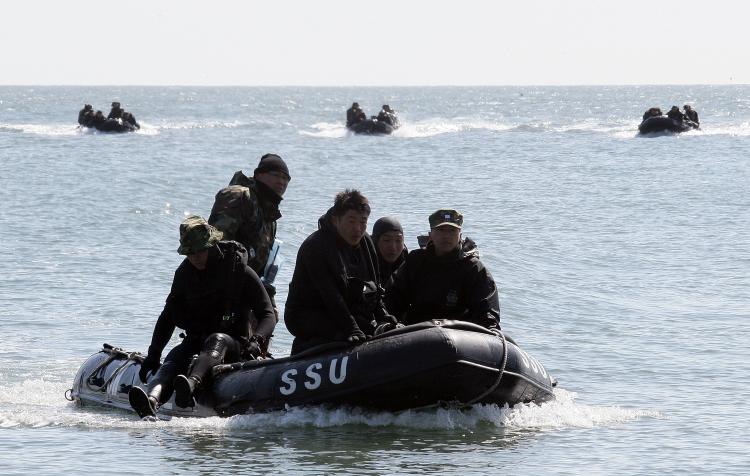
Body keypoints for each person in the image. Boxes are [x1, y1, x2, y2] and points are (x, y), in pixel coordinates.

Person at [128, 216, 276, 419]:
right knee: (177, 355)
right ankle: (152, 398)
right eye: (190, 253)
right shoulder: (184, 274)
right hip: (198, 340)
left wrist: (256, 340)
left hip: (233, 344)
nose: (195, 257)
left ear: (212, 244)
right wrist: (154, 354)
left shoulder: (238, 270)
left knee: (218, 339)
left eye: (200, 250)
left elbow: (267, 313)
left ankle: (190, 384)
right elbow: (168, 316)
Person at [284, 189, 397, 355]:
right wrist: (352, 329)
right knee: (345, 332)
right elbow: (330, 294)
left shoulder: (366, 242)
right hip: (309, 313)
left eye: (363, 222)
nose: (358, 229)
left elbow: (375, 288)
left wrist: (383, 316)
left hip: (348, 308)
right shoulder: (316, 246)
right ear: (335, 220)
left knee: (372, 326)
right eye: (351, 221)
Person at [208, 154, 290, 331]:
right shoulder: (239, 195)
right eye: (276, 175)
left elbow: (264, 267)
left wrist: (267, 301)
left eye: (286, 178)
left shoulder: (269, 217)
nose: (282, 182)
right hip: (222, 289)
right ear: (259, 174)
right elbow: (217, 244)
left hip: (246, 288)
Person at [385, 209, 500, 331]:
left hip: (461, 337)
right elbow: (392, 297)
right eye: (441, 230)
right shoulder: (415, 261)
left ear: (460, 235)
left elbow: (488, 314)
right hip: (416, 334)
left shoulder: (474, 269)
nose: (446, 236)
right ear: (431, 235)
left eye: (452, 231)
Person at [371, 216, 407, 284]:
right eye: (386, 240)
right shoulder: (365, 266)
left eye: (398, 240)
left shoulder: (408, 265)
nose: (393, 247)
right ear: (375, 242)